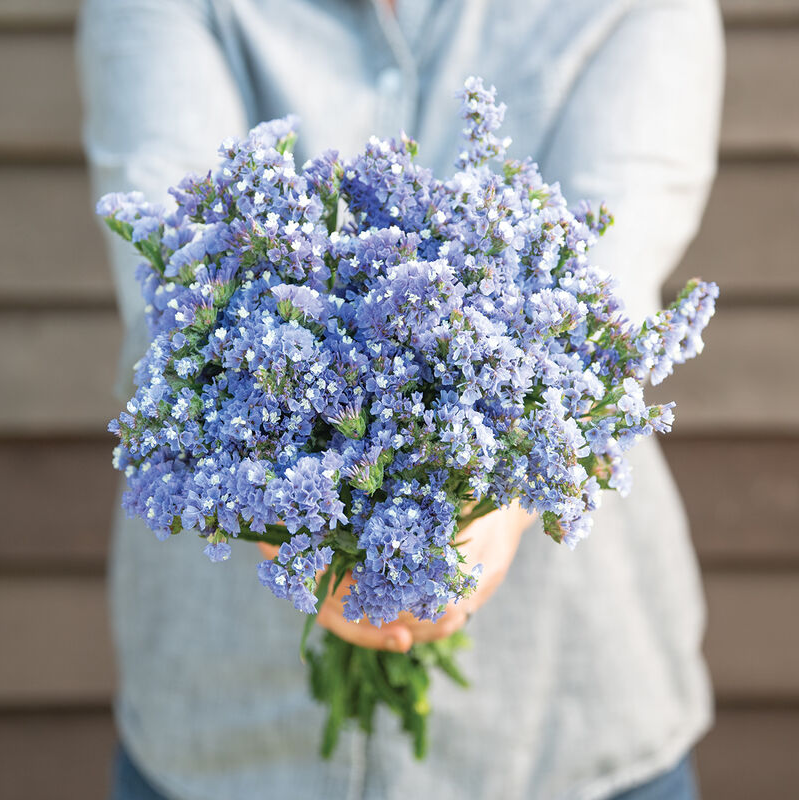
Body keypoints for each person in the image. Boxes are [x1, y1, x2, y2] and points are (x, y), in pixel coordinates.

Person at [77, 1, 724, 798]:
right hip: (228, 734)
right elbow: (175, 282)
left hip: (565, 730)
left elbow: (603, 291)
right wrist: (293, 525)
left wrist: (495, 508)